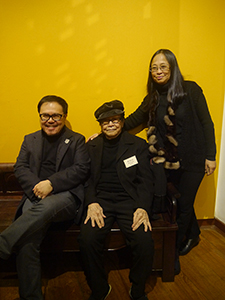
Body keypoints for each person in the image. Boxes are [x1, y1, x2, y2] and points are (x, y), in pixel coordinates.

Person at [124, 49, 216, 272]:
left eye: (163, 66)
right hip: (166, 161)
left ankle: (171, 252)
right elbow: (134, 120)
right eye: (154, 67)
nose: (158, 71)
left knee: (183, 205)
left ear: (173, 68)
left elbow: (207, 123)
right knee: (176, 203)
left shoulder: (190, 90)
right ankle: (193, 234)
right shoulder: (153, 98)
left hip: (194, 159)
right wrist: (108, 129)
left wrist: (210, 156)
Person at [0, 95, 90, 300]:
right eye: (45, 116)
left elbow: (81, 169)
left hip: (66, 197)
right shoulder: (29, 139)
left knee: (44, 209)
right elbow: (20, 167)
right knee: (27, 239)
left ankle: (3, 244)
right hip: (35, 194)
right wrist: (37, 188)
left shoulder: (76, 140)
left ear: (64, 116)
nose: (50, 120)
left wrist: (51, 183)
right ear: (39, 116)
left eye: (56, 116)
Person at [78, 100, 154, 300]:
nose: (110, 124)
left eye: (115, 120)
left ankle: (137, 288)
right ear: (100, 125)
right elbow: (85, 180)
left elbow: (146, 181)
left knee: (144, 240)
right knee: (87, 240)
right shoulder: (91, 146)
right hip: (100, 201)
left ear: (122, 122)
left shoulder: (138, 145)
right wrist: (91, 202)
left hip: (129, 201)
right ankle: (100, 288)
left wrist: (142, 207)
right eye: (106, 121)